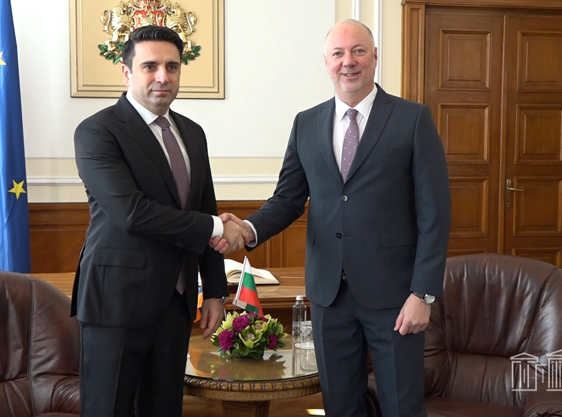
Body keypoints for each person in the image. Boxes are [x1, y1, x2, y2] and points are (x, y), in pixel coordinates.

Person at [213, 19, 451, 417]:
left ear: (375, 56)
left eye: (358, 51)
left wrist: (423, 295)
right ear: (326, 63)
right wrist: (247, 230)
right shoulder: (306, 123)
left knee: (402, 407)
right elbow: (287, 200)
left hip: (395, 297)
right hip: (329, 296)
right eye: (338, 54)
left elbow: (435, 214)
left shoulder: (413, 119)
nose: (348, 62)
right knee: (340, 408)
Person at [72, 25, 244, 417]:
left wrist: (214, 291)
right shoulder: (97, 131)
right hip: (115, 304)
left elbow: (205, 205)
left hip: (176, 304)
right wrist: (218, 227)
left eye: (172, 66)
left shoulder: (192, 133)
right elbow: (132, 213)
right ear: (126, 72)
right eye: (150, 66)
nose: (163, 76)